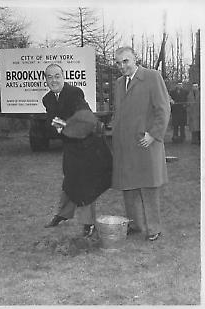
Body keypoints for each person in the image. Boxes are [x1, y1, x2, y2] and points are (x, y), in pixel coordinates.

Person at [42, 63, 112, 238]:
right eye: (49, 77)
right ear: (46, 80)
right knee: (70, 179)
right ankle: (62, 214)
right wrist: (63, 126)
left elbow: (85, 118)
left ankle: (89, 224)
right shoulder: (47, 99)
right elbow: (52, 121)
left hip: (90, 145)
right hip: (72, 145)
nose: (53, 80)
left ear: (63, 77)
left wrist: (63, 126)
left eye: (57, 76)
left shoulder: (74, 93)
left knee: (85, 185)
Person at [112, 46, 171, 241]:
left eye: (126, 61)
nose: (122, 66)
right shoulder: (119, 83)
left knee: (148, 188)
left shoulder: (152, 77)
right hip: (126, 146)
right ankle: (135, 224)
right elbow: (119, 114)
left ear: (135, 59)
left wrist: (153, 135)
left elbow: (163, 110)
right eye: (118, 63)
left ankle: (154, 228)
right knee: (128, 187)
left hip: (145, 143)